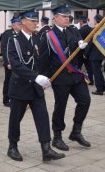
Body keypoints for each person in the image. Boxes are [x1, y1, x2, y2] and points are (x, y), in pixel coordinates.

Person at [7, 10, 65, 162]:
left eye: (36, 21)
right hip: (20, 87)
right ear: (23, 22)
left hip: (36, 88)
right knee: (15, 118)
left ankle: (46, 149)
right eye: (32, 21)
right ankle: (12, 146)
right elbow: (16, 65)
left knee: (42, 117)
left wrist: (46, 76)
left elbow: (43, 61)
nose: (36, 23)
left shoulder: (37, 39)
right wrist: (36, 76)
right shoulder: (14, 40)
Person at [39, 5, 91, 151]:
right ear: (55, 18)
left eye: (68, 16)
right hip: (60, 77)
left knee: (85, 100)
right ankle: (57, 137)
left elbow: (80, 49)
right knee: (60, 106)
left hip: (75, 75)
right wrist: (44, 77)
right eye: (63, 16)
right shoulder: (48, 35)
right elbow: (44, 58)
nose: (67, 18)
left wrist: (82, 46)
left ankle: (76, 131)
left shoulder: (73, 31)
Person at [1, 16, 22, 107]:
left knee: (19, 81)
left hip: (20, 62)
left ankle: (17, 98)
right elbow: (5, 49)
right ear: (13, 26)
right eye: (18, 24)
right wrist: (8, 62)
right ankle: (6, 99)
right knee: (9, 81)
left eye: (20, 24)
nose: (20, 26)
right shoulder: (7, 34)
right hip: (10, 62)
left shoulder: (22, 33)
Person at [84, 14, 105, 95]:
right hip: (100, 54)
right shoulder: (103, 29)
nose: (93, 21)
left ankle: (99, 89)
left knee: (96, 72)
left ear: (97, 20)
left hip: (94, 55)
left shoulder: (95, 29)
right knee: (99, 71)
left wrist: (85, 53)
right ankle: (103, 85)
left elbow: (90, 43)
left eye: (94, 20)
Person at [77, 16, 94, 85]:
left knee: (77, 66)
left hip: (82, 52)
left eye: (79, 22)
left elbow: (79, 42)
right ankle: (91, 80)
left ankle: (77, 80)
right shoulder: (91, 29)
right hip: (89, 51)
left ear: (81, 22)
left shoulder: (81, 30)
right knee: (89, 67)